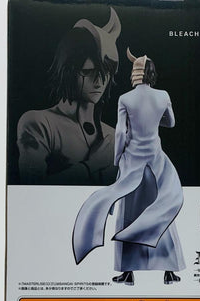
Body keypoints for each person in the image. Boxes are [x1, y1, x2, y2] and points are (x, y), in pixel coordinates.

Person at [72, 48, 185, 285]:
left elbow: (121, 133)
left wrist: (117, 160)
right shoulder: (163, 95)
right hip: (156, 161)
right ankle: (169, 271)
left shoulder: (125, 99)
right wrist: (155, 118)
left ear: (135, 73)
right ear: (151, 73)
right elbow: (171, 123)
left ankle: (127, 272)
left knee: (128, 215)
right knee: (161, 211)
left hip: (133, 161)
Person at [17, 8, 121, 185]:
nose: (99, 82)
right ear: (68, 70)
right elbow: (31, 188)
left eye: (106, 73)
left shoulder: (113, 136)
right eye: (87, 71)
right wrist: (93, 165)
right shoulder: (39, 124)